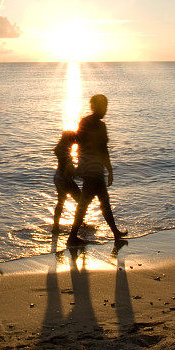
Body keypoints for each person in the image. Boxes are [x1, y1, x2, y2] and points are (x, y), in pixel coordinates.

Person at [67, 94, 127, 246]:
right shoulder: (99, 126)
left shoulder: (85, 122)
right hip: (93, 170)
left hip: (90, 169)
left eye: (106, 107)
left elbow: (77, 141)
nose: (105, 110)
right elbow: (103, 149)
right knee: (92, 203)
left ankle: (114, 232)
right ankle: (73, 237)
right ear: (95, 107)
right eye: (103, 107)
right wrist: (110, 170)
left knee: (97, 202)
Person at [52, 130, 81, 232]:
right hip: (65, 179)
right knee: (81, 201)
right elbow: (70, 169)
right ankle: (79, 224)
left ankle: (55, 227)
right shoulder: (65, 150)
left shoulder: (61, 148)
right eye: (73, 139)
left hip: (58, 177)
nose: (75, 142)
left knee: (60, 202)